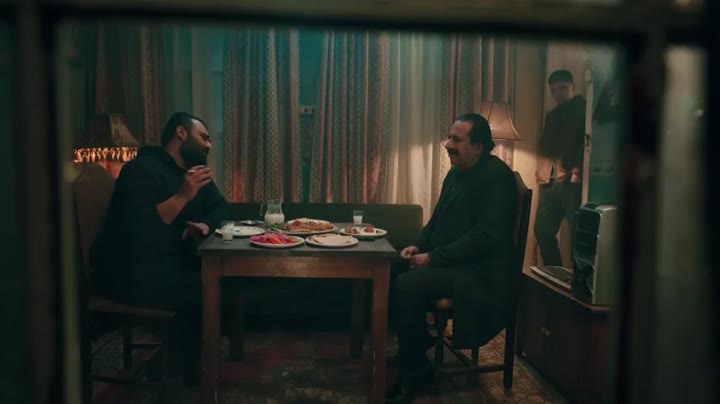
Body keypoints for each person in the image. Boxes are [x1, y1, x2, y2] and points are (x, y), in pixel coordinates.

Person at [385, 113, 518, 402]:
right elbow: (435, 221)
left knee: (407, 285)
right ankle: (415, 346)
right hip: (454, 263)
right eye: (449, 138)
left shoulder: (498, 178)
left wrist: (433, 258)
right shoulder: (456, 173)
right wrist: (417, 246)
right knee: (389, 265)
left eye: (456, 140)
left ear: (478, 147)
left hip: (481, 273)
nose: (448, 145)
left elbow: (484, 237)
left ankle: (414, 372)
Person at [90, 112, 228, 389]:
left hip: (168, 263)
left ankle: (183, 363)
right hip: (129, 272)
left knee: (219, 281)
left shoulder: (194, 172)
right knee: (202, 287)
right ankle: (177, 376)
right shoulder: (140, 170)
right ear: (181, 132)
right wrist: (183, 196)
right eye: (204, 137)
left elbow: (221, 207)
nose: (209, 145)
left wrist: (205, 225)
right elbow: (139, 231)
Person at [534, 69, 587, 267]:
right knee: (542, 231)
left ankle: (577, 278)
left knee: (577, 234)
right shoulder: (552, 115)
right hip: (550, 180)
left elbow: (586, 143)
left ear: (573, 86)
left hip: (573, 181)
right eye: (554, 90)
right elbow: (546, 146)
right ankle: (554, 273)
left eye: (563, 88)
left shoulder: (583, 109)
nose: (558, 93)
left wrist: (576, 170)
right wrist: (544, 172)